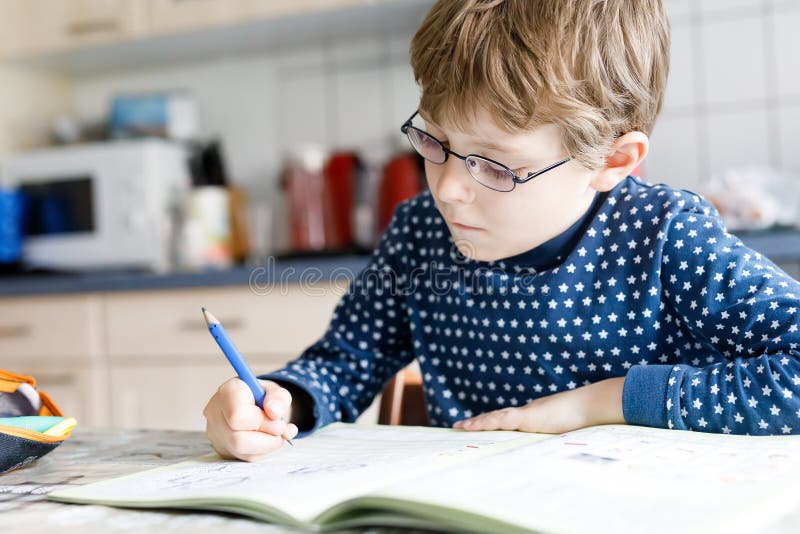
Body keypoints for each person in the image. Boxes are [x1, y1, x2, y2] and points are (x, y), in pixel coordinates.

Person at [204, 0, 800, 461]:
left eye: (494, 165)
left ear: (613, 161)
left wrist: (602, 402)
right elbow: (344, 364)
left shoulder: (663, 237)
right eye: (434, 143)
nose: (447, 188)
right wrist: (277, 401)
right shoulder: (420, 235)